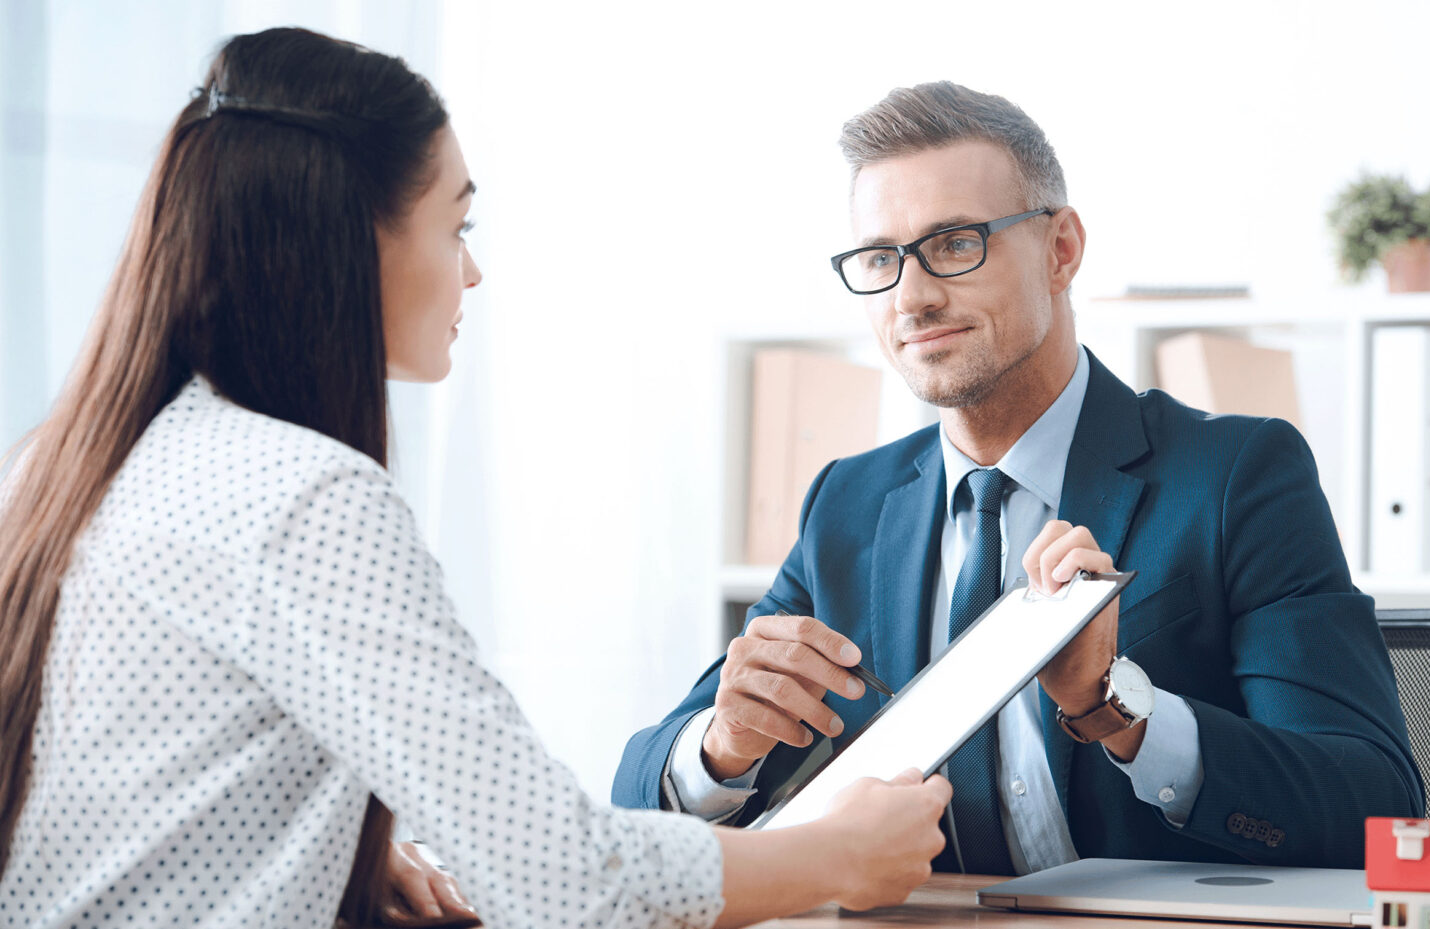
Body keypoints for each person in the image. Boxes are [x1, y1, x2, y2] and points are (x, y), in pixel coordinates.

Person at [0, 29, 952, 929]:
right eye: (457, 225)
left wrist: (344, 857)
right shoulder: (303, 495)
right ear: (352, 241)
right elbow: (563, 877)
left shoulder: (69, 463)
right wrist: (834, 855)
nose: (474, 271)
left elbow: (140, 795)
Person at [613, 81, 1424, 875]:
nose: (913, 296)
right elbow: (637, 801)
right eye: (878, 258)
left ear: (1061, 249)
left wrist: (1115, 706)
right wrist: (722, 748)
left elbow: (1375, 808)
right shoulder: (848, 504)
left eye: (956, 244)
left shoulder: (1237, 477)